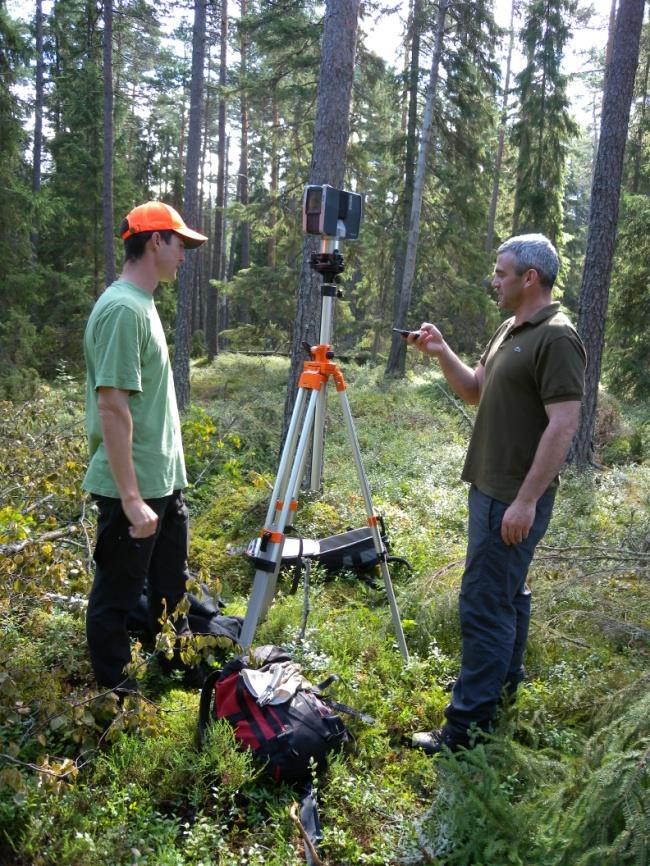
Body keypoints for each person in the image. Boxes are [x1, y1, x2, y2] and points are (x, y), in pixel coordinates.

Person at [407, 234, 586, 754]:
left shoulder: (557, 337)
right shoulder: (511, 328)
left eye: (502, 272)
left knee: (485, 604)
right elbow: (475, 388)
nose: (495, 280)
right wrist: (441, 351)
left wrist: (526, 501)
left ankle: (465, 729)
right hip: (489, 490)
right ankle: (503, 693)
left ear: (530, 277)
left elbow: (564, 425)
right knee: (507, 595)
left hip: (512, 497)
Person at [83, 201, 207, 693]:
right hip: (131, 490)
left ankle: (175, 673)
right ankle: (117, 704)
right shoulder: (120, 310)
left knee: (169, 590)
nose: (184, 256)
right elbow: (112, 407)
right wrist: (132, 500)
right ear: (156, 241)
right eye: (181, 245)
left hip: (163, 484)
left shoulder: (143, 304)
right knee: (115, 600)